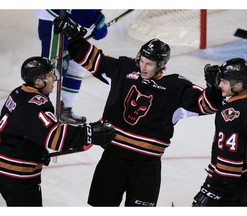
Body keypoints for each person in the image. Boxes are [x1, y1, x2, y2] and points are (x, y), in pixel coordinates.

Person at [53, 17, 223, 207]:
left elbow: (207, 105)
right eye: (141, 61)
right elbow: (94, 60)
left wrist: (214, 88)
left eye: (149, 64)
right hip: (112, 159)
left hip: (146, 168)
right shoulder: (124, 70)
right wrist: (74, 37)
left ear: (161, 65)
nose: (143, 66)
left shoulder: (175, 88)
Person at [0, 56, 115, 206]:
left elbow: (21, 130)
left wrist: (36, 150)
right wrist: (88, 133)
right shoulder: (35, 105)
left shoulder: (19, 92)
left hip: (7, 165)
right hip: (17, 174)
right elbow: (55, 136)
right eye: (49, 75)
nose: (54, 78)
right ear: (38, 81)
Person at [192, 58, 247, 206]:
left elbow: (228, 166)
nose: (219, 85)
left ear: (238, 84)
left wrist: (211, 189)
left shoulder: (229, 116)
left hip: (233, 186)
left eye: (224, 82)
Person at [36, 9, 108, 124]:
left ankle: (65, 110)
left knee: (77, 63)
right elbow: (81, 11)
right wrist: (96, 22)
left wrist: (98, 18)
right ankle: (35, 112)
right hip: (55, 21)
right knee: (51, 71)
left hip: (72, 23)